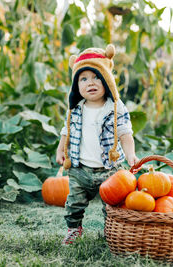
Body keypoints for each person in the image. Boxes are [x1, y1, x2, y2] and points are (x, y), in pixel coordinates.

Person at [56, 44, 138, 245]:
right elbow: (66, 131)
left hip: (109, 170)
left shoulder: (116, 108)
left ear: (107, 80)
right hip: (79, 168)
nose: (90, 83)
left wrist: (131, 155)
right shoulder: (75, 109)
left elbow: (126, 133)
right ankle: (74, 229)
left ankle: (111, 232)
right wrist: (61, 149)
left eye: (96, 77)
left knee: (112, 205)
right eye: (83, 79)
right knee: (74, 203)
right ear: (77, 86)